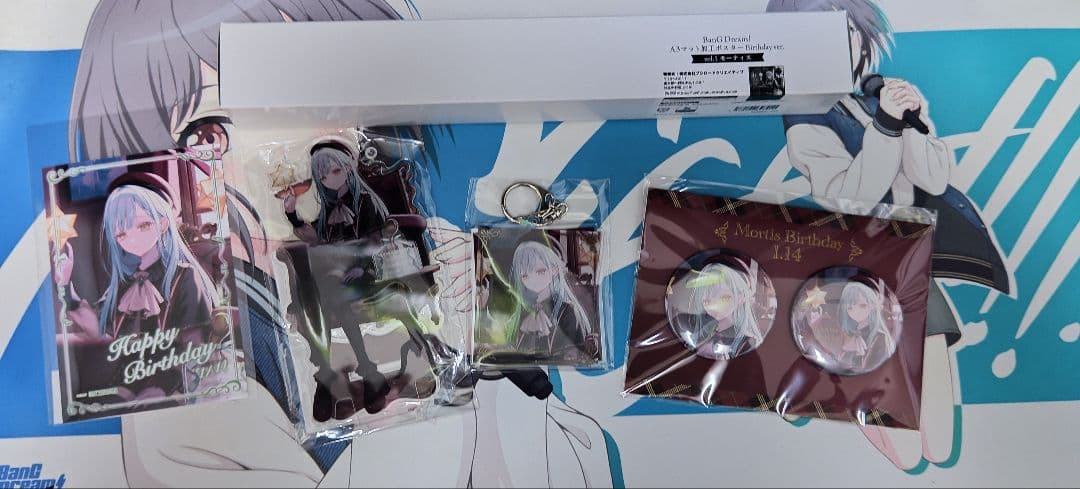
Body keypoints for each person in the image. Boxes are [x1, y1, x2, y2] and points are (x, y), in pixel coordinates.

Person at [767, 0, 1010, 470]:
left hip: (907, 252)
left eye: (847, 37)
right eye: (818, 39)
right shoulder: (806, 119)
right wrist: (885, 127)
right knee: (874, 370)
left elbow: (933, 178)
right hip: (856, 261)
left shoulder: (867, 103)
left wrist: (912, 121)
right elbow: (849, 196)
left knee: (936, 400)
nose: (841, 50)